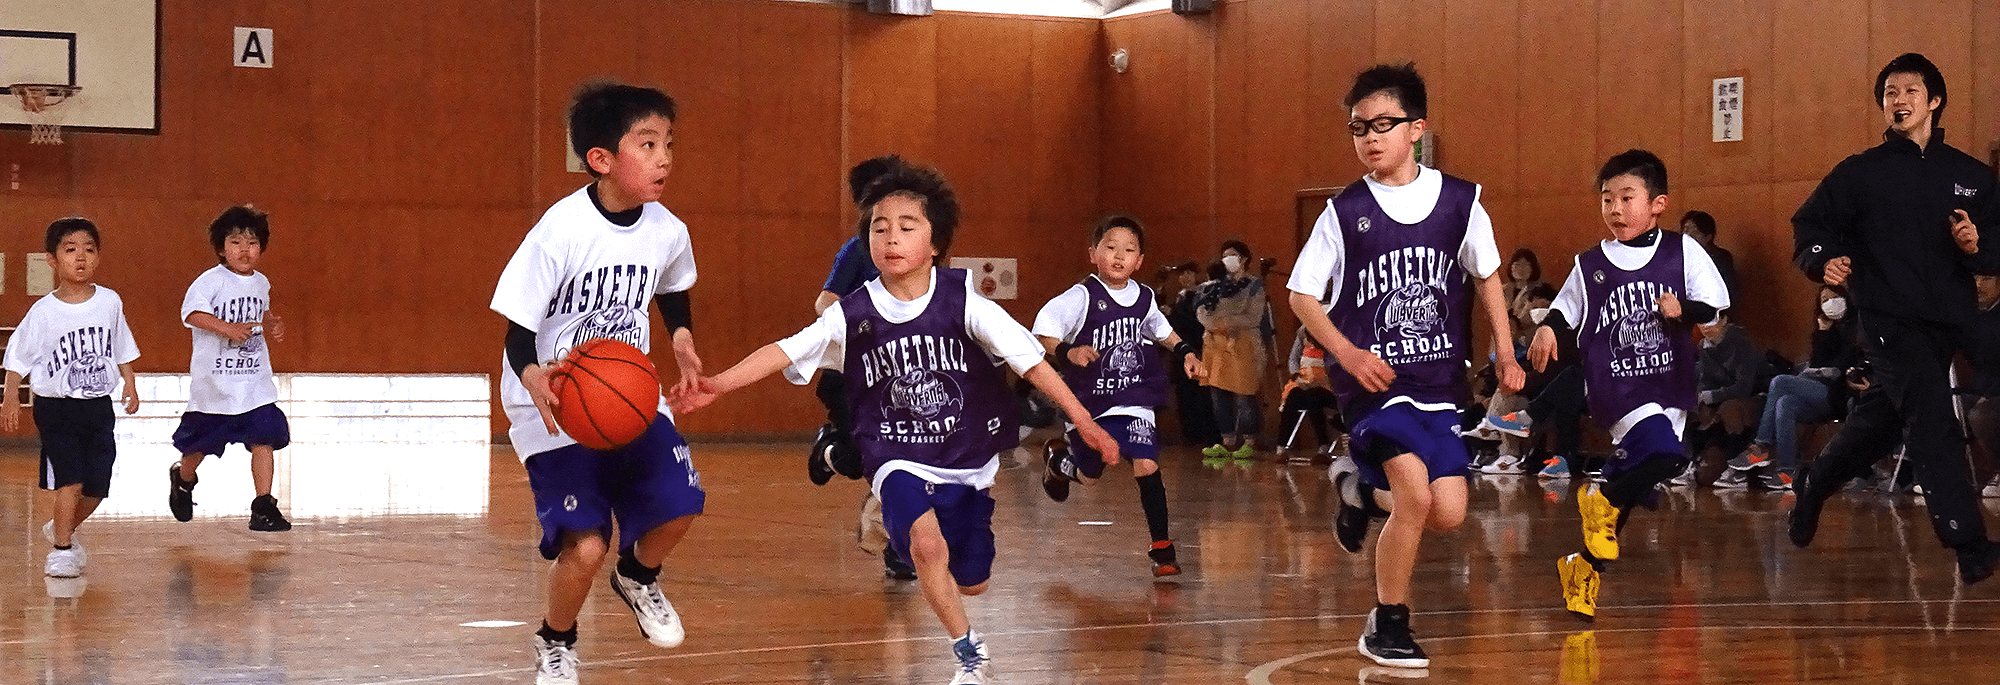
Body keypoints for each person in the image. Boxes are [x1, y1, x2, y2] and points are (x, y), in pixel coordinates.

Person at [670, 161, 1119, 685]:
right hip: (893, 451)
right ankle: (969, 654)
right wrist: (719, 384)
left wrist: (1085, 423)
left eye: (907, 226)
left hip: (964, 458)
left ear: (935, 243)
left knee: (973, 581)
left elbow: (1032, 363)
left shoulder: (964, 301)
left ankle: (915, 544)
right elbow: (783, 350)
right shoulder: (853, 312)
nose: (890, 237)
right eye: (879, 227)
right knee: (928, 547)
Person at [1288, 63, 1523, 667]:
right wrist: (1345, 352)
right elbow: (1301, 296)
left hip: (1437, 381)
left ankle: (1359, 493)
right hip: (1373, 385)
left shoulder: (1460, 201)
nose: (1369, 137)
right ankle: (1388, 623)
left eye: (1383, 125)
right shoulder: (1342, 213)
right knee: (1415, 496)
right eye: (1358, 127)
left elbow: (1489, 275)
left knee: (1447, 512)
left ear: (1416, 129)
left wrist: (1507, 351)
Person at [492, 82, 708, 685]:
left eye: (669, 143)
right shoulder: (558, 232)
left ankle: (637, 576)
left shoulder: (667, 229)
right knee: (584, 548)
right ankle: (556, 640)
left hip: (628, 391)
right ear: (602, 159)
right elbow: (518, 329)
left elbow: (671, 286)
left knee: (682, 504)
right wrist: (534, 375)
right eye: (647, 143)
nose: (665, 156)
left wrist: (682, 337)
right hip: (557, 400)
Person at [1787, 53, 2000, 584]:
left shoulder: (1970, 175)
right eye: (1889, 93)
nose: (1898, 100)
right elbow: (1810, 224)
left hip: (1948, 323)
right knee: (1932, 419)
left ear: (1934, 100)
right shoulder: (1860, 173)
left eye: (1910, 91)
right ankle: (1969, 544)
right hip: (1886, 320)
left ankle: (1816, 481)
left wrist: (1977, 247)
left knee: (1882, 423)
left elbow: (1992, 251)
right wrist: (1822, 259)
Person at [1531, 149, 1730, 621]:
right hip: (1617, 381)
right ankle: (1602, 494)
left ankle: (1584, 566)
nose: (1615, 209)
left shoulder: (1683, 251)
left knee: (1636, 486)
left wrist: (1685, 312)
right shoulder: (1591, 263)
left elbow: (1715, 306)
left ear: (1658, 203)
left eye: (1626, 198)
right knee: (1667, 455)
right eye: (1607, 199)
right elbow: (1565, 310)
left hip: (1669, 380)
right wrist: (1547, 328)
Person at [1032, 214, 1204, 578]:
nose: (1119, 256)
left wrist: (1187, 352)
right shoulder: (1081, 297)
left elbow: (1163, 332)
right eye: (1111, 248)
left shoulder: (1144, 297)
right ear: (1093, 253)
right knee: (1091, 475)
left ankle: (1162, 548)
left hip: (1134, 396)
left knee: (1147, 462)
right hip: (1091, 403)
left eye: (1129, 250)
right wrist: (1068, 352)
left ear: (1139, 260)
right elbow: (1042, 333)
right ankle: (1060, 464)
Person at [1, 218, 142, 578]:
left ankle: (61, 528)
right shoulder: (44, 311)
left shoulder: (109, 301)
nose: (80, 257)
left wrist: (129, 382)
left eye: (89, 249)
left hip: (97, 406)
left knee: (97, 483)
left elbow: (121, 345)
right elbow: (19, 355)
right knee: (71, 479)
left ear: (98, 257)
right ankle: (61, 551)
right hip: (57, 407)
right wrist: (10, 397)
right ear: (52, 260)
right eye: (70, 250)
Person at [809, 154, 920, 582]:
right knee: (861, 461)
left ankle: (896, 547)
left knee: (904, 457)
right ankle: (830, 450)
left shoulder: (923, 252)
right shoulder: (859, 251)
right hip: (850, 377)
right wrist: (863, 327)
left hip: (901, 378)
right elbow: (825, 302)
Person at [166, 205, 294, 532]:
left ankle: (264, 506)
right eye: (235, 242)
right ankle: (183, 478)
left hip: (254, 384)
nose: (244, 249)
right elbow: (192, 315)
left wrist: (272, 323)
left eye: (251, 243)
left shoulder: (261, 283)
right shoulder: (209, 282)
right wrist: (226, 328)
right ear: (222, 248)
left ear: (261, 248)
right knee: (199, 448)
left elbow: (261, 316)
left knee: (265, 436)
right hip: (216, 388)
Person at [1724, 287, 1858, 489]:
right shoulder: (1823, 331)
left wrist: (1819, 372)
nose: (1830, 302)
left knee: (1780, 381)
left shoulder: (1854, 328)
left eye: (1834, 297)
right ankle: (1787, 470)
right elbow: (1817, 361)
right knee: (1785, 403)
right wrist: (1822, 334)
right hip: (1816, 393)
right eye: (1825, 299)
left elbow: (1843, 366)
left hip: (1839, 393)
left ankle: (1761, 445)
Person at [1196, 240, 1273, 458]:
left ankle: (1249, 440)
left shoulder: (1254, 285)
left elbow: (1253, 316)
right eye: (1224, 255)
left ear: (1244, 259)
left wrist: (1228, 322)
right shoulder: (1212, 284)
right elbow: (1202, 312)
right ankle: (1226, 439)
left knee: (1244, 394)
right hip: (1215, 345)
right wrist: (1215, 325)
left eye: (1232, 255)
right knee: (1217, 393)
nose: (1227, 259)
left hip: (1244, 343)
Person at [1688, 312, 1764, 488]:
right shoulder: (1704, 346)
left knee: (1730, 408)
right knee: (1695, 408)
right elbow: (1705, 382)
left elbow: (1744, 387)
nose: (1706, 326)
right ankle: (1692, 461)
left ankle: (1738, 470)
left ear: (1724, 320)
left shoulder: (1740, 342)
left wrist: (1713, 395)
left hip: (1757, 396)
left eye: (1712, 320)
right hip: (1726, 398)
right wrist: (1702, 397)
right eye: (1701, 321)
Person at [1164, 262, 1221, 446]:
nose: (1185, 278)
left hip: (1199, 349)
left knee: (1203, 396)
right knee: (1184, 397)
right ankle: (1190, 436)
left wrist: (1173, 313)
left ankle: (1209, 437)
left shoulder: (1202, 295)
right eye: (1182, 274)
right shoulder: (1179, 296)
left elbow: (1198, 323)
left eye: (1189, 273)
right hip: (1180, 354)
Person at [1278, 325, 1343, 462]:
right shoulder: (1301, 332)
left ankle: (1323, 448)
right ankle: (1281, 447)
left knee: (1314, 398)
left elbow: (1336, 364)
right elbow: (1293, 359)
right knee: (1293, 396)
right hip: (1303, 380)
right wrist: (1297, 375)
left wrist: (1321, 376)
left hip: (1328, 385)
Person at [1680, 211, 1740, 303]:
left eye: (1694, 232)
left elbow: (1730, 293)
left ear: (1708, 237)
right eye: (1685, 230)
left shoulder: (1720, 259)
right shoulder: (1678, 256)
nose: (1687, 236)